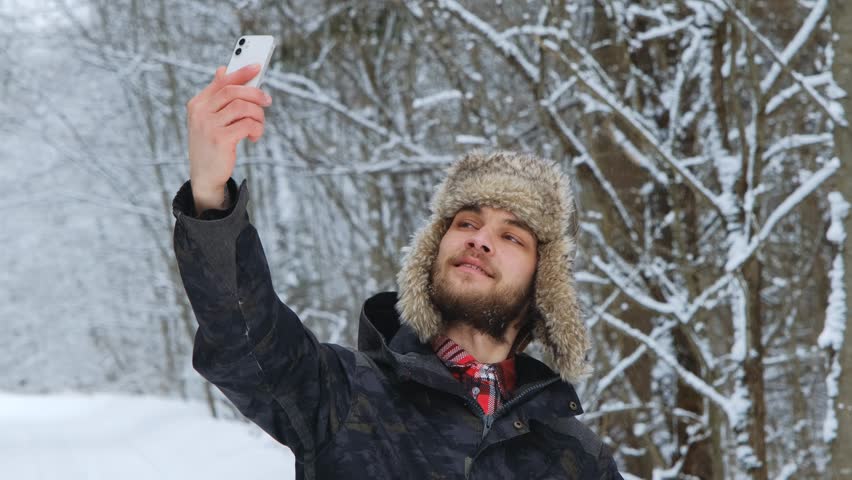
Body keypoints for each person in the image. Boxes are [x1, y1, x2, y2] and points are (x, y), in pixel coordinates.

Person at [172, 63, 623, 479]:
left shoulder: (578, 459)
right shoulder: (346, 392)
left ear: (544, 285)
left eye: (511, 237)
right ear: (430, 253)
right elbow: (245, 341)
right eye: (466, 222)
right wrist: (211, 196)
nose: (479, 238)